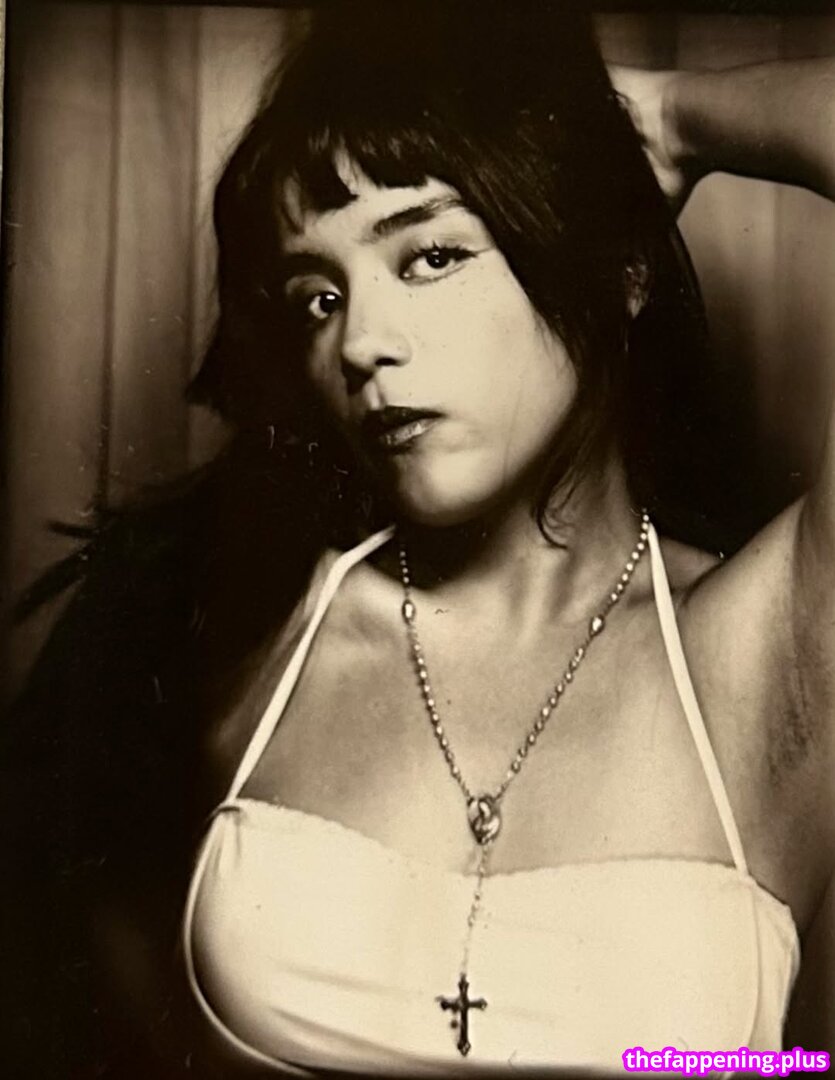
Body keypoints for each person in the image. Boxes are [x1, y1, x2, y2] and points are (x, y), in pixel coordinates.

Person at [4, 3, 833, 1077]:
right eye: (317, 295)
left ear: (620, 267)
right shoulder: (245, 625)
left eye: (431, 255)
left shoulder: (767, 653)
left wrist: (671, 118)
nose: (360, 341)